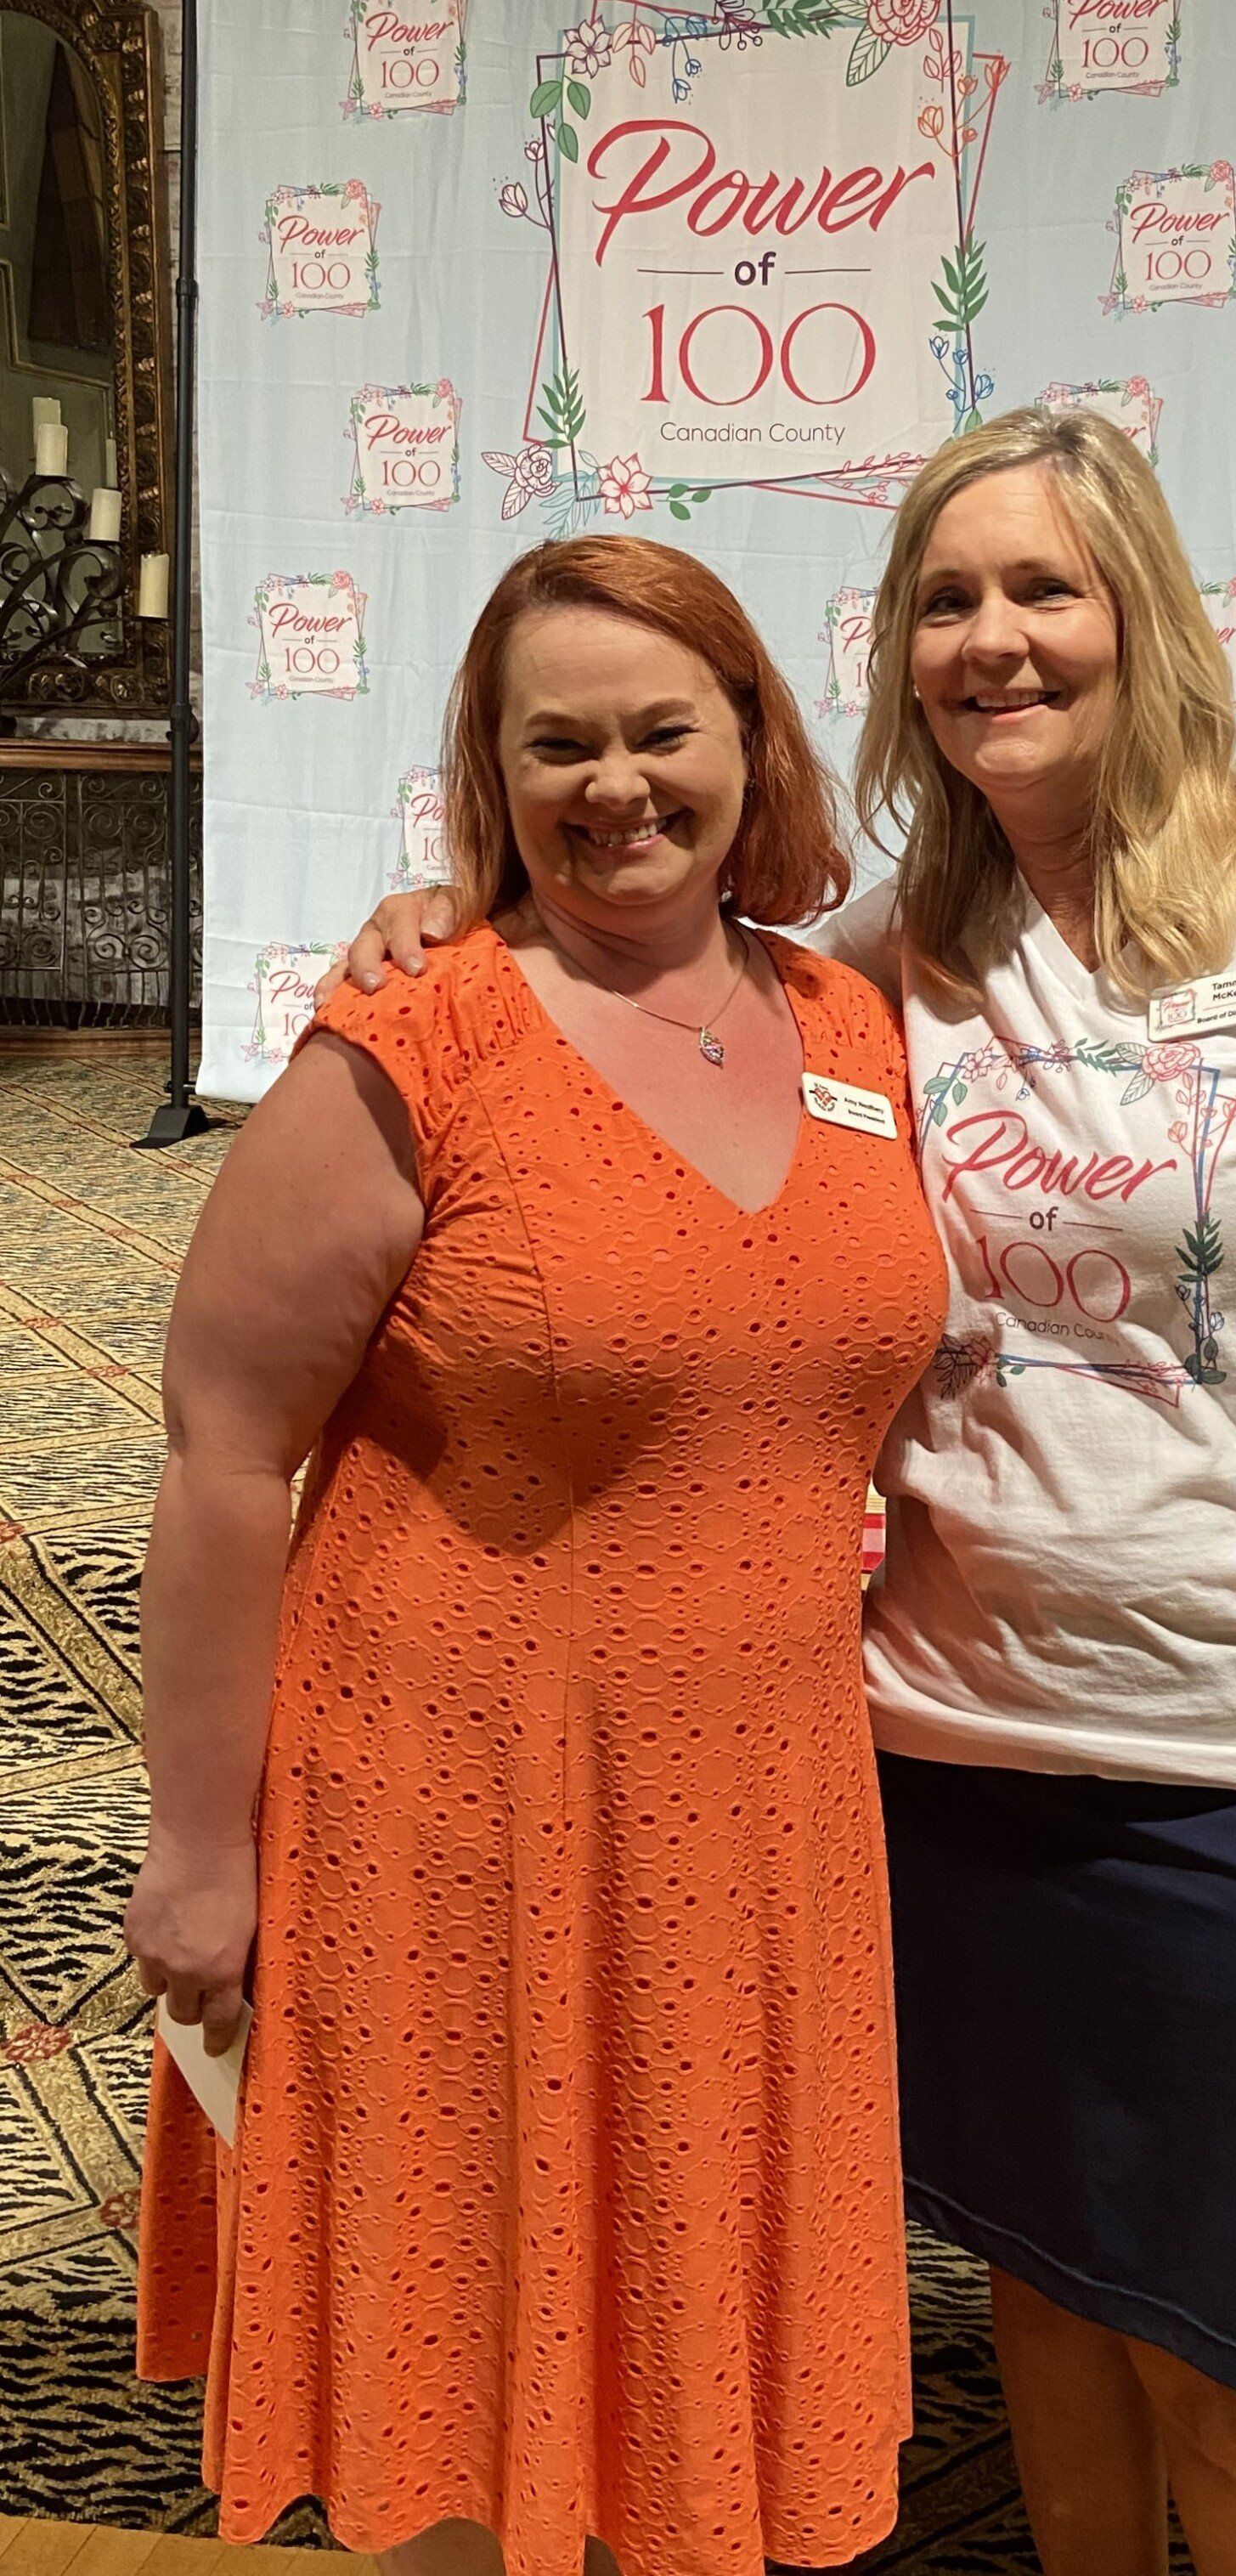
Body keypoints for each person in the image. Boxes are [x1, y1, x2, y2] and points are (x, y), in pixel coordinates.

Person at [335, 407, 1236, 2576]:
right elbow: (628, 959)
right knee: (1042, 2314)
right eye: (946, 598)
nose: (994, 639)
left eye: (1043, 588)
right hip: (956, 1753)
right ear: (896, 654)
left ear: (1151, 622)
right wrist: (446, 919)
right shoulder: (872, 952)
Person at [127, 536, 948, 2576]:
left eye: (664, 731)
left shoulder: (851, 1015)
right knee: (461, 2375)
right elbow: (227, 1456)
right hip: (453, 1807)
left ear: (753, 742)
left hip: (765, 1807)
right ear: (490, 778)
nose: (618, 786)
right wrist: (202, 1850)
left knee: (684, 2326)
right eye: (554, 744)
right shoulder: (417, 1035)